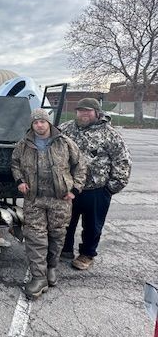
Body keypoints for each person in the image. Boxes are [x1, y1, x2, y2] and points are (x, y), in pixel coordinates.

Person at [11, 108, 86, 299]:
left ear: (49, 123)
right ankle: (38, 277)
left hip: (59, 199)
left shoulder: (64, 142)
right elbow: (15, 164)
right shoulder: (24, 144)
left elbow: (80, 165)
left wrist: (75, 189)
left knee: (57, 235)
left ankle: (52, 267)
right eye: (36, 122)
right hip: (34, 199)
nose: (39, 125)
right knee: (35, 237)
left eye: (42, 121)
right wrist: (20, 181)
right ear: (32, 124)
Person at [60, 97, 132, 270]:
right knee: (65, 221)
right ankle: (65, 249)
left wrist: (110, 188)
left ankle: (87, 254)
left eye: (88, 111)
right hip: (70, 188)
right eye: (80, 110)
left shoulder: (109, 133)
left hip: (97, 190)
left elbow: (122, 161)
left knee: (92, 225)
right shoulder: (66, 129)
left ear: (96, 113)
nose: (84, 114)